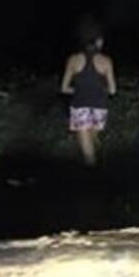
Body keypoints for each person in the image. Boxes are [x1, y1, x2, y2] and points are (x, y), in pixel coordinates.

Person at [59, 18, 116, 166]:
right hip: (99, 106)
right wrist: (98, 89)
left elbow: (64, 88)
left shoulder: (73, 60)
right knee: (92, 145)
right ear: (98, 41)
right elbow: (112, 90)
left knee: (88, 152)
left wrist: (79, 89)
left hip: (80, 106)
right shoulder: (106, 61)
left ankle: (92, 175)